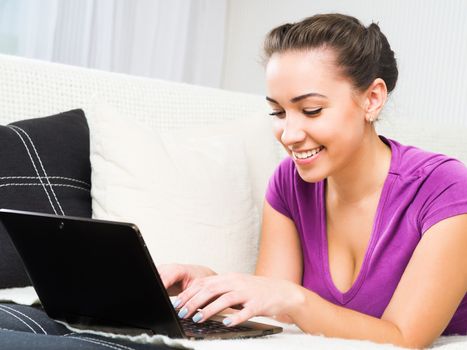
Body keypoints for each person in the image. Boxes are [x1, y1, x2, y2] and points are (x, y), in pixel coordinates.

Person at [158, 13, 467, 348]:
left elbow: (404, 339)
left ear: (372, 99)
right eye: (278, 112)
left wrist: (295, 298)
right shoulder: (289, 182)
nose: (288, 135)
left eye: (311, 110)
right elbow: (274, 306)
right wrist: (209, 287)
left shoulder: (446, 189)